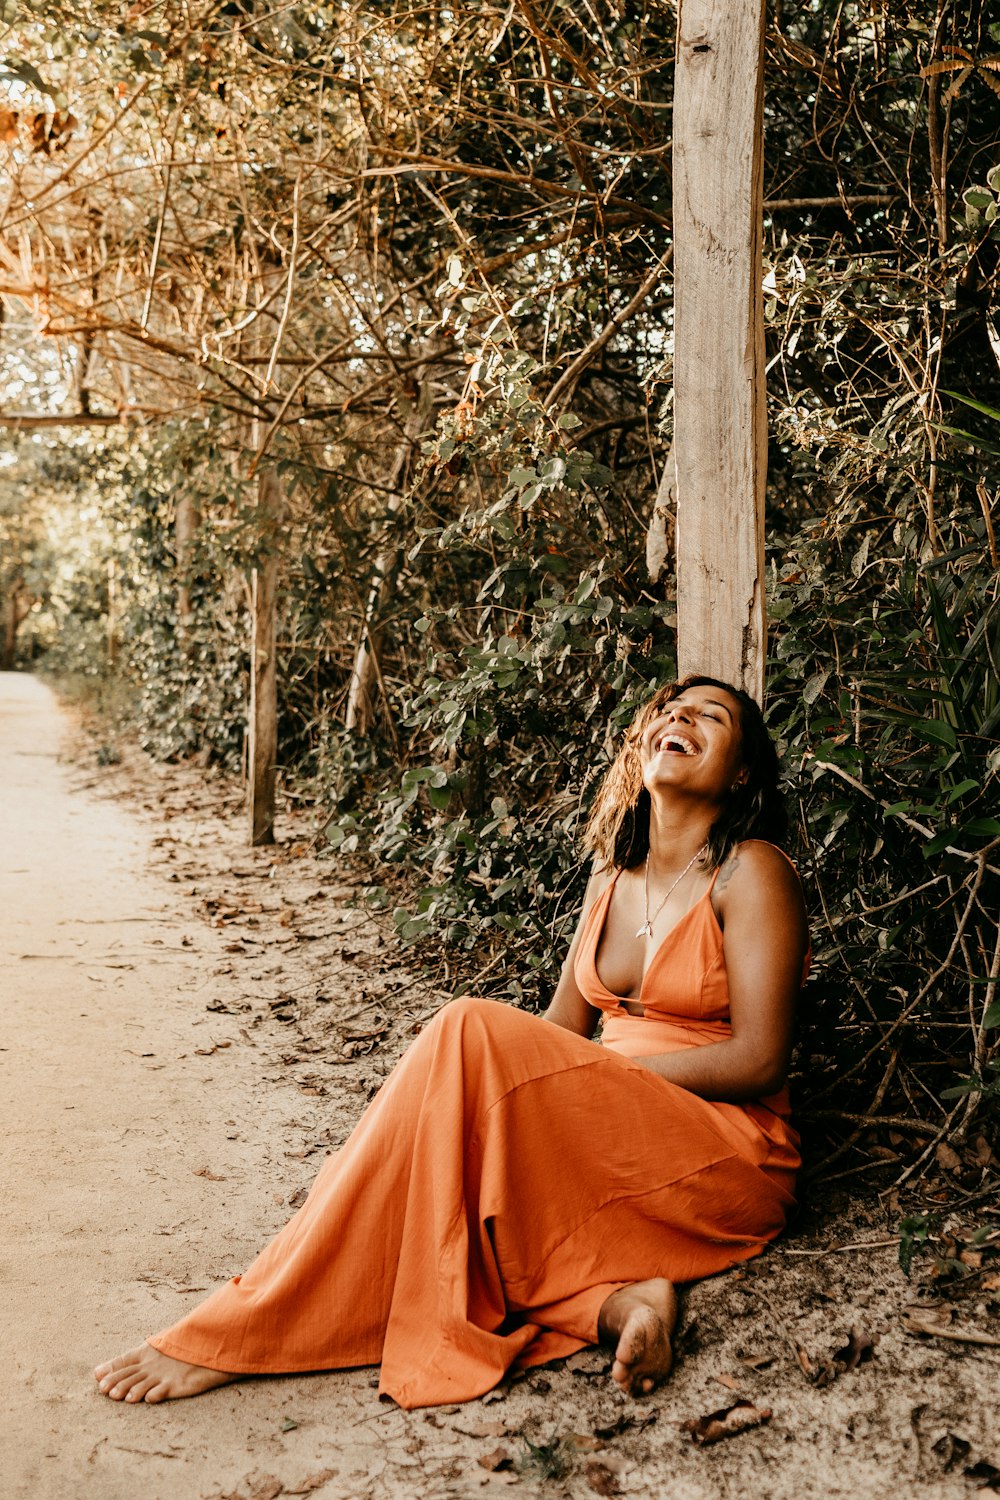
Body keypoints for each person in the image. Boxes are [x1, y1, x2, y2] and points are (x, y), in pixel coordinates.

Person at [95, 674, 808, 1410]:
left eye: (711, 716)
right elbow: (560, 1034)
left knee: (467, 1033)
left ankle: (251, 1324)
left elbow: (760, 1059)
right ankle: (627, 1305)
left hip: (726, 1149)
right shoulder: (612, 875)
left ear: (743, 771)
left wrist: (610, 1072)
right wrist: (527, 1089)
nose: (681, 715)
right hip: (618, 1128)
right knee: (453, 1143)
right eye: (669, 708)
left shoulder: (750, 871)